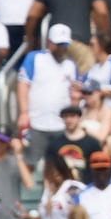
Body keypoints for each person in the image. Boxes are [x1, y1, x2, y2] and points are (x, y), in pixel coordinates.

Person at [17, 24, 80, 165]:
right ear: (50, 43)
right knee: (32, 162)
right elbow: (23, 84)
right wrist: (24, 112)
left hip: (61, 124)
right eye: (59, 44)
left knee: (62, 164)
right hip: (36, 121)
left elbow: (75, 93)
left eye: (65, 44)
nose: (62, 48)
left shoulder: (71, 65)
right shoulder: (35, 58)